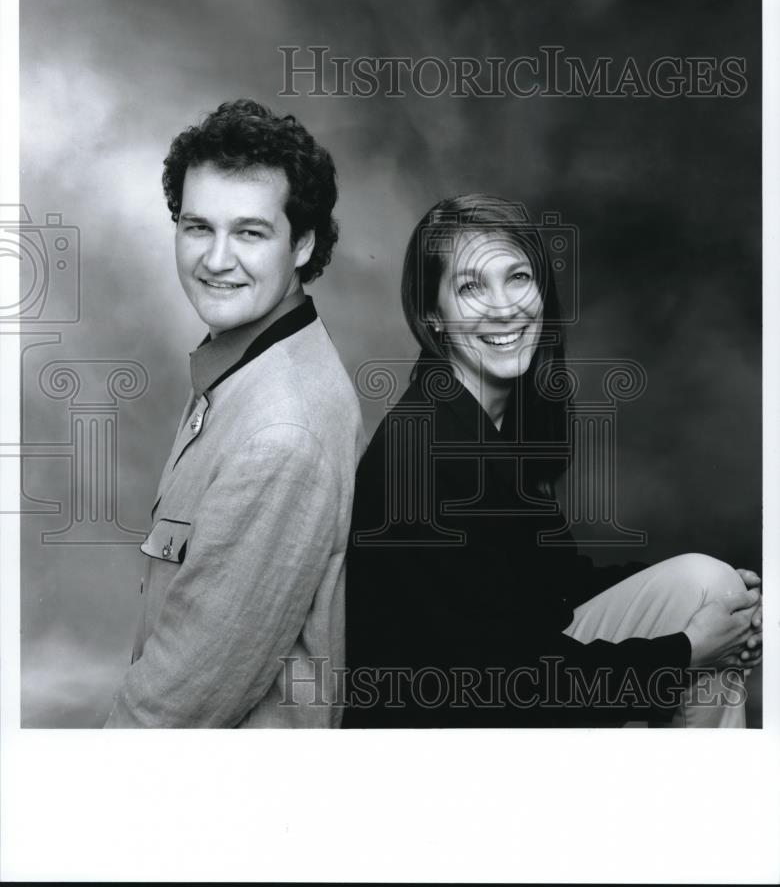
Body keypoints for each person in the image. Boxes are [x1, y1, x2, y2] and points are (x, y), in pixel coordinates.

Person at [343, 194, 762, 727]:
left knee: (711, 590)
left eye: (517, 278)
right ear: (434, 317)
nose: (503, 306)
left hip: (507, 693)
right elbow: (492, 681)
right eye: (471, 287)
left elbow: (550, 588)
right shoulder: (421, 453)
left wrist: (722, 619)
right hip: (444, 742)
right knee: (702, 612)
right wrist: (684, 650)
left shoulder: (496, 423)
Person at [105, 99, 364, 727]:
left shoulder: (281, 433)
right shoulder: (249, 362)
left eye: (249, 232)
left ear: (302, 244)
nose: (215, 260)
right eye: (198, 227)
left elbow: (180, 705)